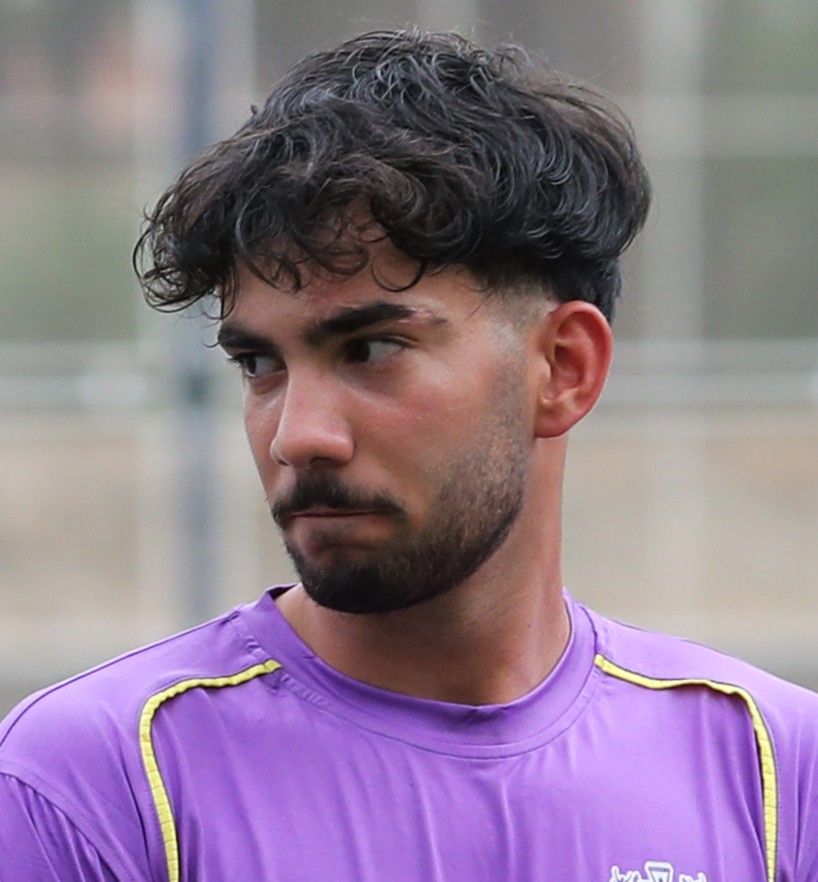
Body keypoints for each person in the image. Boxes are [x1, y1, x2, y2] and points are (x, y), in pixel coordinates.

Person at [1, 28, 816, 882]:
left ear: (563, 369)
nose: (297, 435)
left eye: (372, 350)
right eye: (260, 364)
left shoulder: (776, 780)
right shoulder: (96, 788)